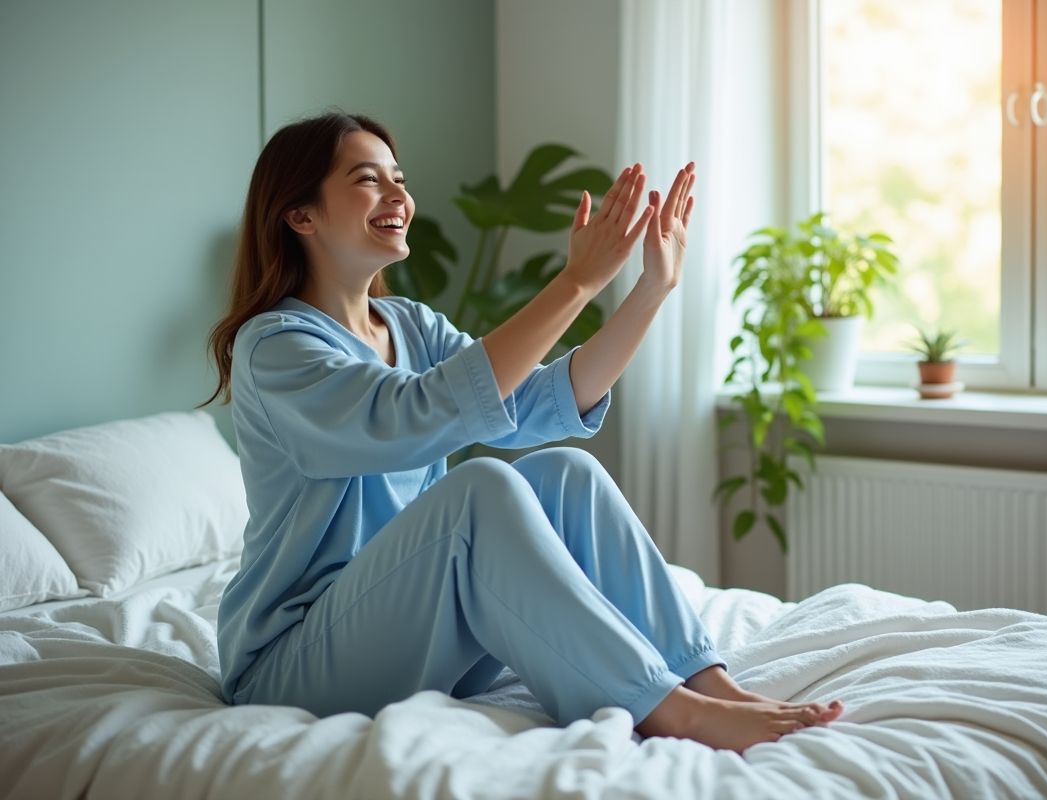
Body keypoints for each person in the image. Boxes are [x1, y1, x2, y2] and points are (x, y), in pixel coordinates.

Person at [202, 112, 842, 755]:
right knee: (476, 490)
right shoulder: (277, 347)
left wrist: (650, 288)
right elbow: (411, 414)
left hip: (423, 637)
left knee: (566, 473)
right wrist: (576, 282)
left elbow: (540, 399)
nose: (399, 196)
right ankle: (668, 708)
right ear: (301, 216)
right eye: (369, 181)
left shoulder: (409, 325)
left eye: (400, 178)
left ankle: (708, 684)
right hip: (295, 668)